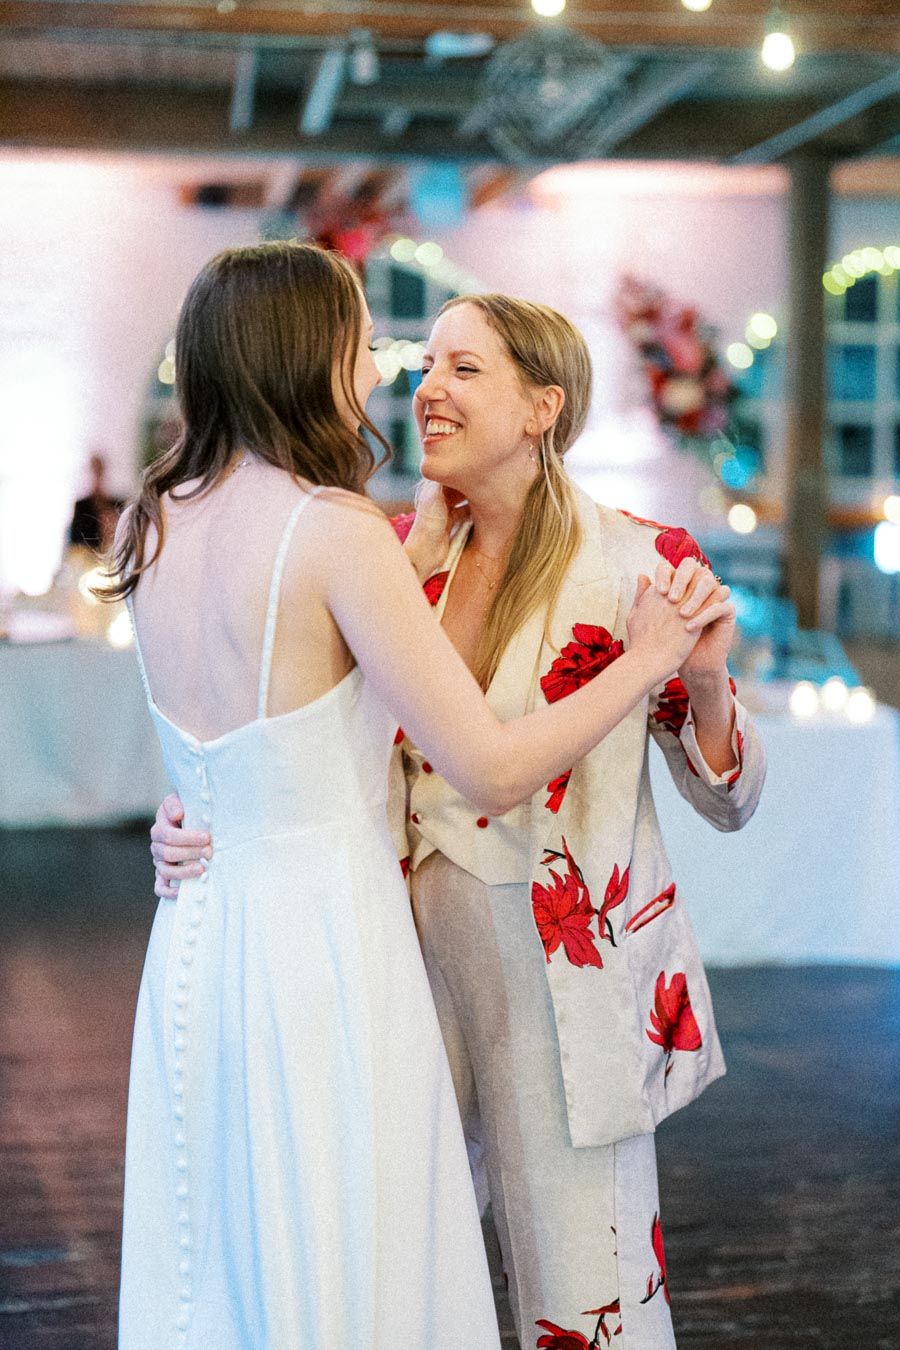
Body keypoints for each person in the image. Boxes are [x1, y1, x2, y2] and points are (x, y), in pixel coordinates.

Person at [110, 244, 722, 1350]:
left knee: (248, 1261)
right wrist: (642, 661)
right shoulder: (364, 541)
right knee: (359, 1265)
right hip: (358, 956)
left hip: (432, 972)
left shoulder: (151, 521)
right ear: (306, 353)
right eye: (381, 347)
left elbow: (726, 787)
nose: (407, 378)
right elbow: (458, 755)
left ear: (543, 406)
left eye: (460, 366)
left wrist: (702, 677)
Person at [69, 451, 124, 552]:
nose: (96, 474)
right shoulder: (82, 506)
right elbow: (76, 541)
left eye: (98, 469)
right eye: (94, 470)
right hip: (89, 556)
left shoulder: (117, 504)